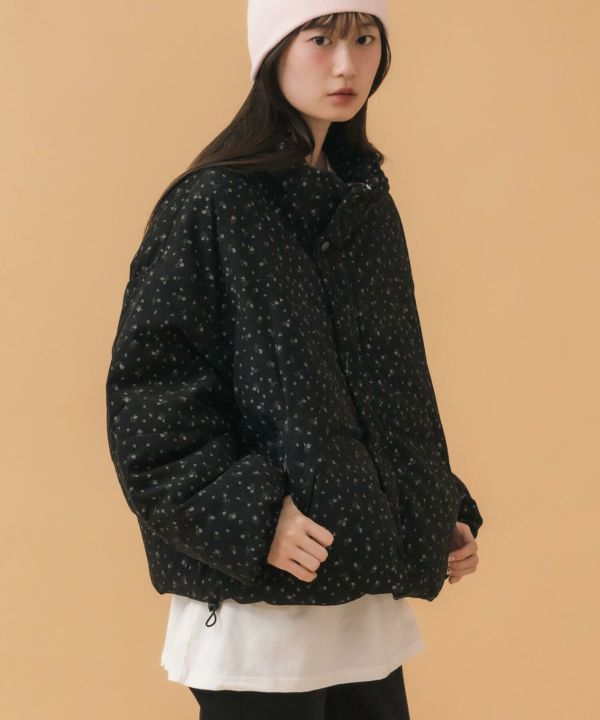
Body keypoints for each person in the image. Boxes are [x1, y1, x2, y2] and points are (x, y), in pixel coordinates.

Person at [105, 1, 483, 718]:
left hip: (360, 603)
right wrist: (254, 516)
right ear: (274, 50)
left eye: (365, 40)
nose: (347, 65)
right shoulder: (213, 204)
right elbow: (148, 403)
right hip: (262, 607)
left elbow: (386, 386)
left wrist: (433, 505)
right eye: (320, 39)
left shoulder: (365, 205)